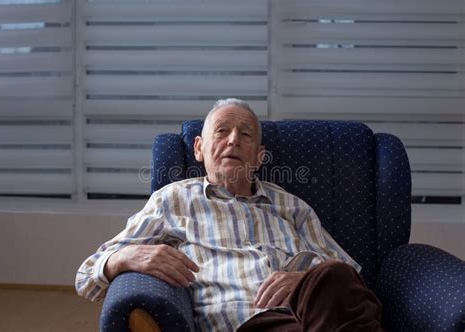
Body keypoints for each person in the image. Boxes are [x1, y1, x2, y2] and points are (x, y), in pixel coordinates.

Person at [76, 98, 383, 331]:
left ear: (259, 156)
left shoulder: (292, 206)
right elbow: (87, 277)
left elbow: (352, 279)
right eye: (222, 131)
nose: (234, 139)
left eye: (246, 135)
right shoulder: (173, 200)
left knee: (334, 275)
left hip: (318, 315)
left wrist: (304, 282)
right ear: (199, 148)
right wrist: (127, 257)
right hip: (250, 323)